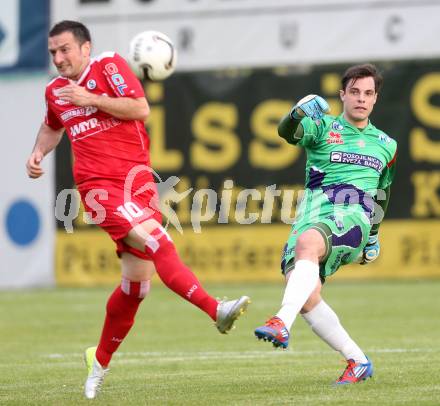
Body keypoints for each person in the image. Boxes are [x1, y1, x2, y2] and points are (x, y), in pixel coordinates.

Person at [26, 20, 250, 399]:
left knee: (136, 287)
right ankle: (217, 310)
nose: (58, 58)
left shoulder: (109, 65)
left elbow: (139, 108)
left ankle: (97, 362)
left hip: (137, 187)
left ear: (85, 47)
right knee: (160, 242)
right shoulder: (54, 91)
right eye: (52, 52)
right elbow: (52, 126)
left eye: (64, 49)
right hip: (99, 190)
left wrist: (91, 99)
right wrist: (38, 151)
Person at [254, 64, 397, 385]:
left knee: (308, 245)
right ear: (342, 95)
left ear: (376, 99)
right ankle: (357, 361)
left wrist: (373, 236)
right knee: (305, 294)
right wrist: (294, 116)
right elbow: (287, 134)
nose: (362, 98)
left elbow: (382, 193)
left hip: (353, 217)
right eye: (356, 92)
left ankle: (280, 321)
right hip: (312, 216)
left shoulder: (386, 144)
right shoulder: (322, 127)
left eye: (369, 93)